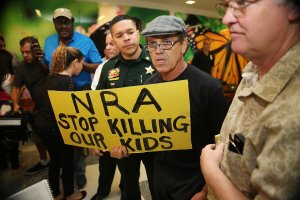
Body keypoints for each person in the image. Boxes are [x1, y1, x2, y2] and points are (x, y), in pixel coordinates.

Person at [110, 15, 229, 200]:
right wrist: (125, 147)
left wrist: (207, 189)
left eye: (166, 43)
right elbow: (146, 135)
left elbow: (224, 144)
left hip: (196, 183)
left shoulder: (208, 87)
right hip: (159, 181)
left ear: (183, 46)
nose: (158, 51)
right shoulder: (148, 88)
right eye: (152, 44)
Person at [200, 0, 300, 200]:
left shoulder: (293, 109)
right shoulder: (253, 69)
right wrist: (206, 190)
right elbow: (238, 142)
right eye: (227, 6)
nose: (227, 19)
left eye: (243, 3)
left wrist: (211, 171)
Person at [96, 15, 156, 200]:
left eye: (130, 32)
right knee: (129, 188)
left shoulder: (157, 61)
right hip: (123, 144)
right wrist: (98, 138)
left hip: (157, 141)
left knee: (159, 185)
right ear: (112, 40)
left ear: (138, 33)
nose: (127, 38)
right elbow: (98, 106)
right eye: (119, 35)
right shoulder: (108, 69)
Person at [42, 7, 102, 188]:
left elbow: (98, 66)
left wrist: (79, 65)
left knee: (77, 137)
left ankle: (78, 172)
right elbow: (47, 68)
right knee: (60, 136)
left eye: (66, 21)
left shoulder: (86, 41)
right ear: (55, 24)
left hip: (79, 90)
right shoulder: (49, 41)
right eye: (59, 22)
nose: (63, 25)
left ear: (72, 22)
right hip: (55, 93)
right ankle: (65, 172)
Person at [35, 46, 87, 200]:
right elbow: (66, 112)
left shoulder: (51, 77)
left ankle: (56, 194)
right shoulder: (68, 82)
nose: (82, 67)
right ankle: (70, 194)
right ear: (75, 62)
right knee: (68, 161)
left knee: (55, 161)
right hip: (54, 128)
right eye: (82, 63)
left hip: (42, 126)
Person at [11, 36, 49, 175]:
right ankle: (44, 161)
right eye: (23, 52)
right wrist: (15, 104)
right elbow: (15, 88)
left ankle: (64, 162)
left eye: (28, 52)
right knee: (37, 135)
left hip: (55, 105)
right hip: (37, 108)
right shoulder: (21, 67)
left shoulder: (47, 60)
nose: (25, 55)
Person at [90, 31, 121, 200]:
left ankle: (126, 186)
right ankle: (103, 191)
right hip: (107, 125)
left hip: (129, 127)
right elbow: (95, 100)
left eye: (112, 44)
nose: (108, 47)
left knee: (127, 165)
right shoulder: (102, 67)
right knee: (106, 163)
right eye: (106, 44)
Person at [0, 49, 19, 173]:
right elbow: (14, 90)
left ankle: (3, 165)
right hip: (7, 109)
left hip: (3, 109)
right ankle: (15, 165)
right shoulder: (9, 76)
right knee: (11, 136)